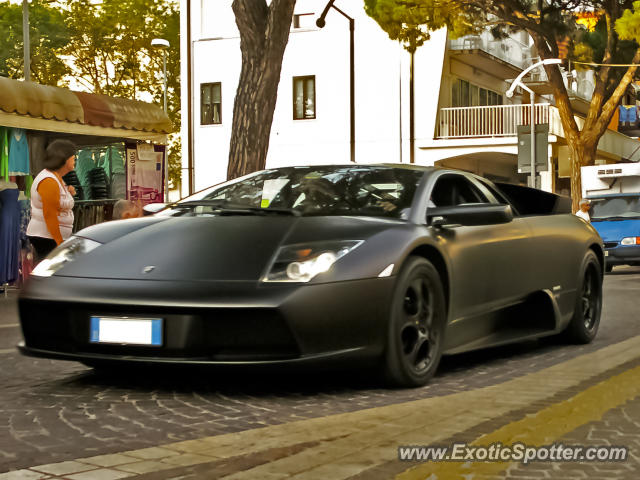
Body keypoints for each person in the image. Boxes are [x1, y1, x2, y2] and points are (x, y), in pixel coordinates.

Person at [26, 139, 77, 262]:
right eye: (72, 157)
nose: (75, 159)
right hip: (47, 237)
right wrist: (59, 243)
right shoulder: (48, 181)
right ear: (63, 158)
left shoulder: (56, 178)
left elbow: (58, 202)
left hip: (50, 237)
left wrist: (69, 192)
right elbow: (49, 214)